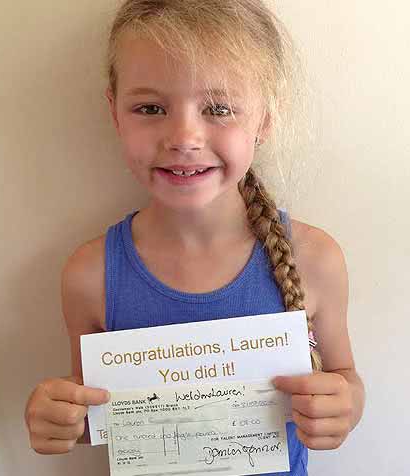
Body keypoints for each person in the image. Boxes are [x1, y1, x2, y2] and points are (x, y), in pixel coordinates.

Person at [24, 1, 365, 474]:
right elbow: (97, 412)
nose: (184, 137)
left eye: (219, 108)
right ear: (115, 112)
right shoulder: (90, 275)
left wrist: (344, 405)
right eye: (150, 108)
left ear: (265, 118)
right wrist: (58, 418)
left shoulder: (315, 258)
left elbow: (345, 376)